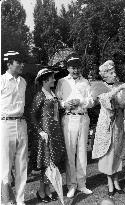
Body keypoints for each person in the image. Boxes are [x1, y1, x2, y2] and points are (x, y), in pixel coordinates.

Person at [55, 55, 94, 198]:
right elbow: (57, 100)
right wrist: (65, 104)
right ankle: (71, 185)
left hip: (83, 118)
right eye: (72, 67)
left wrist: (81, 101)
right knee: (70, 153)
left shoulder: (85, 81)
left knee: (82, 151)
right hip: (69, 118)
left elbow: (91, 101)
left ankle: (82, 184)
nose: (75, 70)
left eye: (77, 67)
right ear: (68, 68)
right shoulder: (62, 81)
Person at [92, 60, 125, 196]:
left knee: (117, 151)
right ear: (105, 75)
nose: (114, 75)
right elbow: (106, 100)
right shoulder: (99, 87)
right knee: (108, 152)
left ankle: (116, 180)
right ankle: (110, 182)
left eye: (114, 72)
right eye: (111, 73)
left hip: (118, 123)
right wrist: (118, 89)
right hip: (106, 124)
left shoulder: (120, 86)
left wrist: (124, 101)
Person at [30, 68, 65, 203]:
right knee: (47, 161)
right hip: (46, 131)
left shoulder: (51, 93)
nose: (54, 80)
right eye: (52, 78)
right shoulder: (40, 95)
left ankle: (47, 189)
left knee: (53, 160)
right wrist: (40, 131)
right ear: (45, 80)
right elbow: (32, 115)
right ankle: (42, 191)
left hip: (55, 129)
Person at [1, 51, 28, 205]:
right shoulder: (2, 80)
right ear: (9, 64)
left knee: (21, 165)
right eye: (18, 62)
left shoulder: (23, 81)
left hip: (21, 124)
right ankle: (5, 201)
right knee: (5, 166)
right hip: (5, 125)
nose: (21, 65)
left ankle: (20, 200)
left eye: (22, 62)